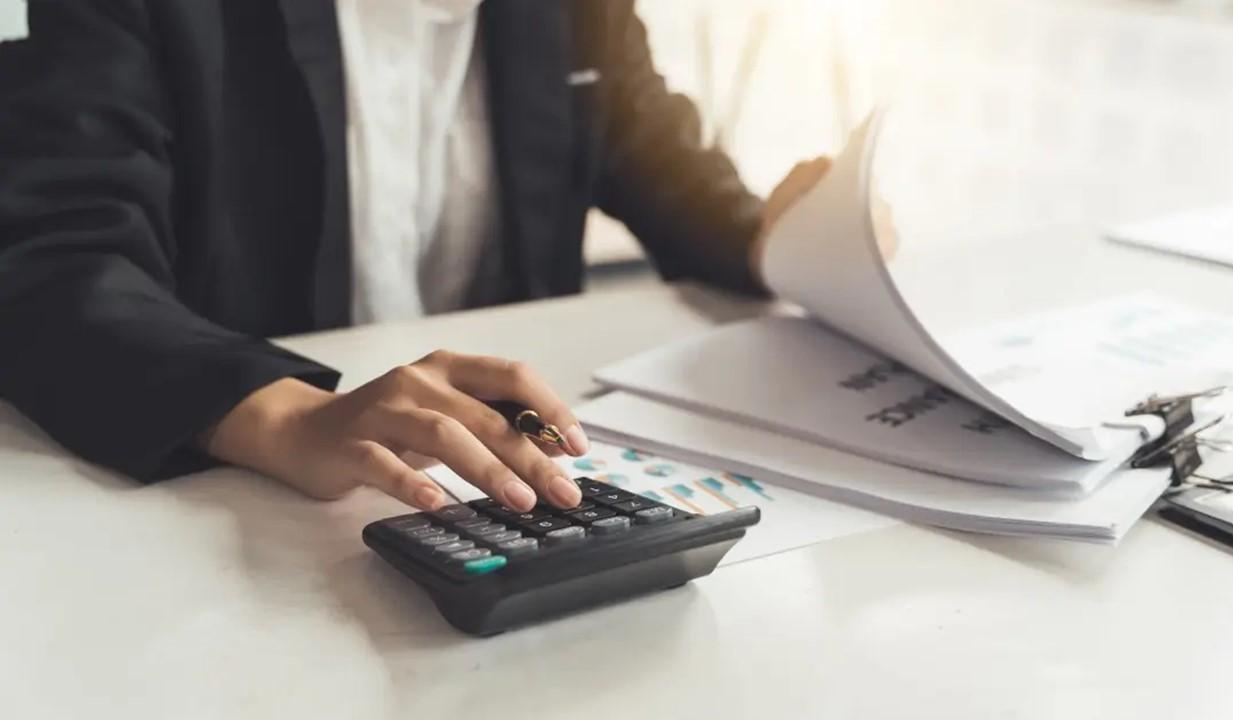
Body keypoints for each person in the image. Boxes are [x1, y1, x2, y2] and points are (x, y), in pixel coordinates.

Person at [0, 0, 831, 514]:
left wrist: (786, 242)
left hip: (488, 493)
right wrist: (285, 416)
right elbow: (57, 261)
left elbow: (659, 159)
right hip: (234, 506)